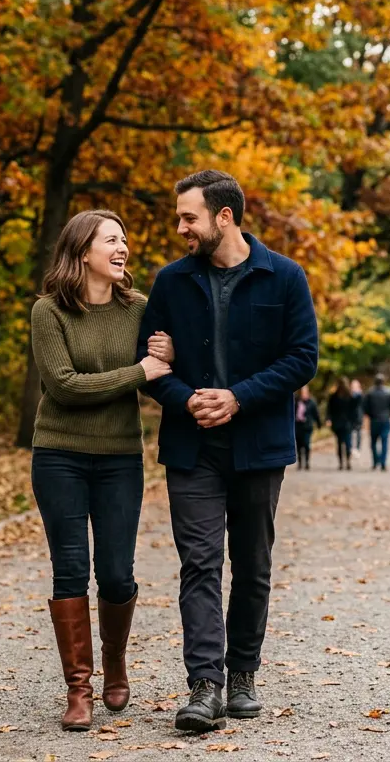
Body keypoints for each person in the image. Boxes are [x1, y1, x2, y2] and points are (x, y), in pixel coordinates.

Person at [137, 170, 318, 732]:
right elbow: (149, 366)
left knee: (254, 564)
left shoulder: (285, 277)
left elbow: (302, 358)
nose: (180, 228)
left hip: (258, 445)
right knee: (199, 563)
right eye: (178, 218)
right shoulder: (170, 282)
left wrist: (238, 398)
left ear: (224, 217)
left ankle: (242, 674)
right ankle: (204, 685)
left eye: (188, 217)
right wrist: (186, 398)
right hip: (192, 446)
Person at [30, 210, 172, 731]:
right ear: (82, 250)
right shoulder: (49, 312)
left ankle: (115, 663)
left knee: (116, 571)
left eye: (125, 240)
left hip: (118, 458)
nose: (123, 248)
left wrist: (164, 360)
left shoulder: (139, 310)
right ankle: (79, 689)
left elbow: (162, 369)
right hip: (59, 454)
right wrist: (138, 371)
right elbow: (63, 386)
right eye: (111, 239)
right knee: (69, 569)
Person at [362, 373, 390, 471]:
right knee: (384, 441)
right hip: (385, 420)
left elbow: (365, 407)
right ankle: (383, 463)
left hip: (374, 420)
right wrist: (389, 414)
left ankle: (375, 462)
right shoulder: (389, 392)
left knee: (373, 442)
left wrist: (371, 415)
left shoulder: (370, 393)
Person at [326, 379, 359, 470]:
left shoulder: (348, 396)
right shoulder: (336, 396)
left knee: (343, 443)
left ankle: (344, 462)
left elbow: (354, 409)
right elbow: (330, 409)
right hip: (342, 423)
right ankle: (344, 461)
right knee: (344, 443)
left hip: (343, 423)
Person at [293, 386, 322, 470]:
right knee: (298, 445)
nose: (304, 394)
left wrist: (319, 424)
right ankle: (300, 462)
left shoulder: (311, 402)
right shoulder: (296, 401)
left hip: (307, 427)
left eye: (305, 392)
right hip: (298, 426)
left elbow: (316, 414)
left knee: (306, 444)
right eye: (302, 392)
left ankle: (307, 462)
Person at [349, 378, 365, 460]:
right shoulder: (349, 395)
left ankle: (357, 448)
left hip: (358, 416)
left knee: (358, 433)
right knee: (350, 433)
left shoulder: (360, 395)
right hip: (350, 417)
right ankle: (351, 448)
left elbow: (363, 405)